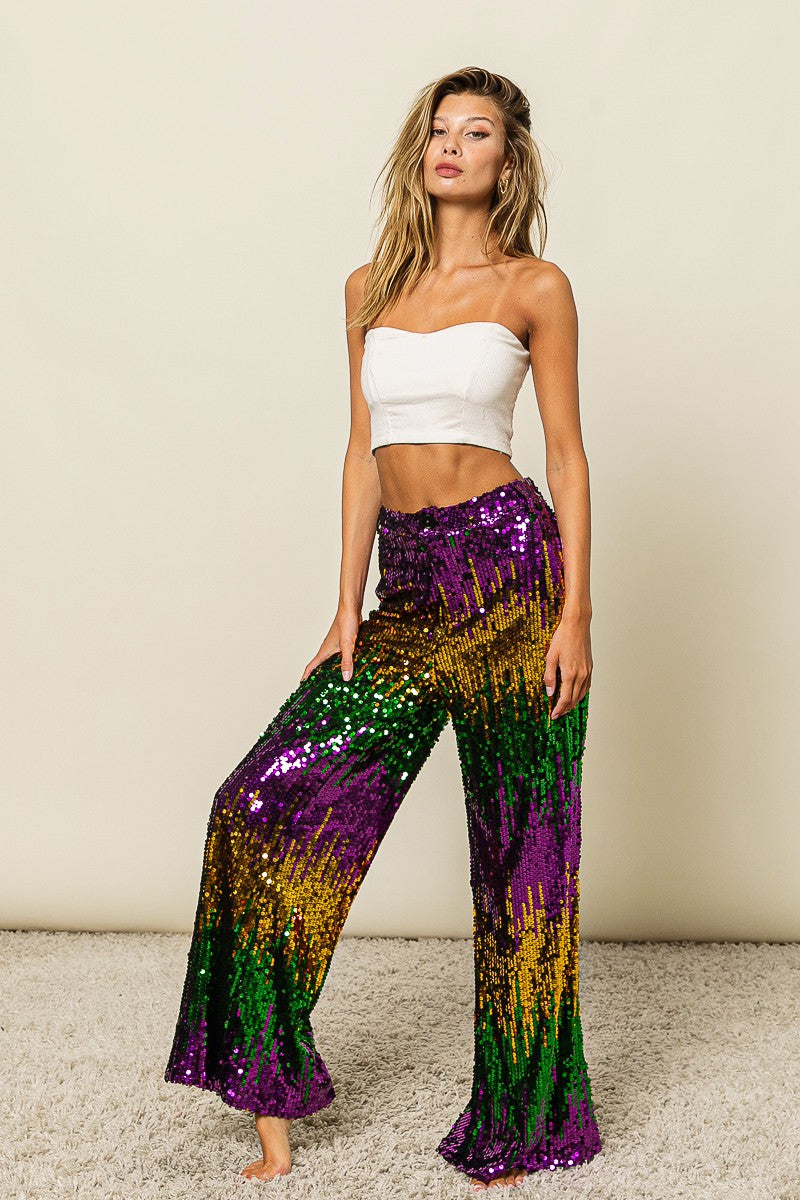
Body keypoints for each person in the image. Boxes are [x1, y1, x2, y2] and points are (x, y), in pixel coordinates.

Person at [163, 65, 602, 1190]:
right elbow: (362, 450)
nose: (452, 145)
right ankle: (269, 1095)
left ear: (508, 159)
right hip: (406, 586)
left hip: (511, 573)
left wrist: (576, 614)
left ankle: (522, 1124)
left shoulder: (536, 285)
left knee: (523, 861)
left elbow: (564, 454)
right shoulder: (368, 286)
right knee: (258, 805)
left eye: (477, 132)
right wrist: (343, 603)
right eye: (440, 129)